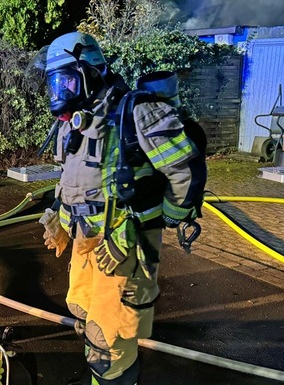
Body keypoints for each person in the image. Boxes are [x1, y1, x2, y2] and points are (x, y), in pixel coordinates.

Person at [37, 32, 207, 385]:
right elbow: (73, 177)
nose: (60, 92)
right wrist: (58, 215)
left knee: (111, 336)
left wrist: (171, 216)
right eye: (56, 83)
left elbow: (184, 168)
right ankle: (100, 373)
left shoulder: (138, 112)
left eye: (66, 80)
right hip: (88, 243)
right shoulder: (76, 121)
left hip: (123, 248)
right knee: (84, 312)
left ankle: (112, 379)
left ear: (91, 70)